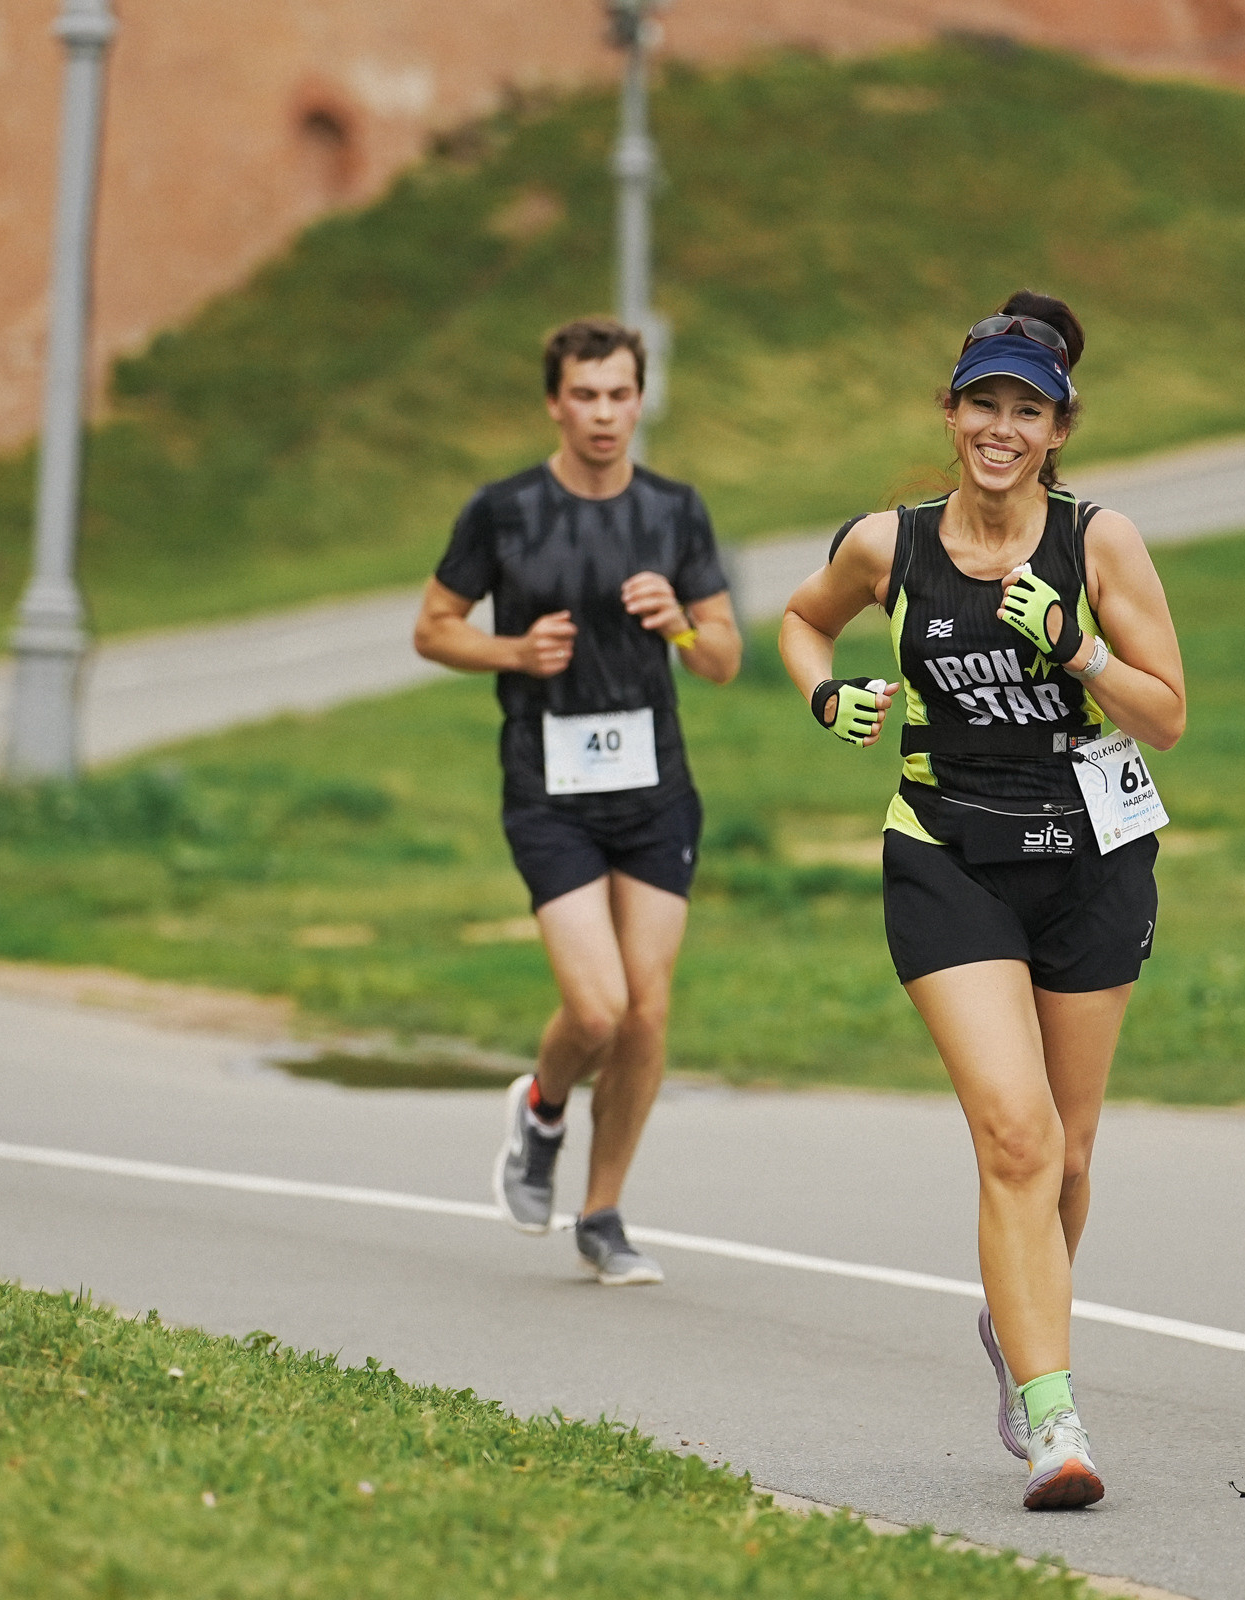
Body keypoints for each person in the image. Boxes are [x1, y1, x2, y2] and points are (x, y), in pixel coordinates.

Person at [777, 290, 1186, 1509]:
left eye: (1028, 409)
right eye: (983, 404)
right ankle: (1057, 1424)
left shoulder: (1098, 543)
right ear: (949, 414)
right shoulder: (886, 544)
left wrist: (1079, 649)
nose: (1002, 427)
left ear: (1059, 430)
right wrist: (824, 694)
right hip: (946, 852)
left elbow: (1166, 710)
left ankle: (1017, 1325)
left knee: (1065, 1153)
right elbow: (803, 621)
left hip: (1090, 861)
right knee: (1014, 1133)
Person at [412, 317, 741, 1286]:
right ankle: (544, 1104)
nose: (604, 413)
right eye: (585, 395)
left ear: (643, 399)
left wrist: (681, 624)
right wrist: (512, 651)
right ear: (555, 402)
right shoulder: (504, 510)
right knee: (595, 1009)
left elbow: (724, 658)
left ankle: (601, 1213)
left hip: (655, 791)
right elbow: (433, 628)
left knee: (646, 1012)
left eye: (620, 393)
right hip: (549, 789)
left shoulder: (676, 512)